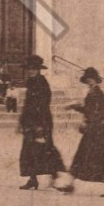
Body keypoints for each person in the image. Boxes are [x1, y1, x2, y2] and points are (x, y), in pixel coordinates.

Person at [57, 68, 104, 197]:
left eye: (90, 79)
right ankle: (70, 184)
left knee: (103, 158)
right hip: (97, 129)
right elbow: (90, 110)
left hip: (99, 130)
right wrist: (78, 109)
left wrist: (84, 119)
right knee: (83, 156)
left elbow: (97, 112)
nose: (88, 81)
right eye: (87, 80)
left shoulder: (96, 93)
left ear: (95, 80)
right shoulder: (93, 92)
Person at [19, 54, 66, 190]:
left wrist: (39, 125)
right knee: (29, 150)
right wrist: (23, 121)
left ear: (39, 69)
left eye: (34, 69)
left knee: (45, 149)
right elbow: (28, 104)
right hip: (30, 121)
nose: (31, 71)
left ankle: (55, 174)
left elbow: (44, 104)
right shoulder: (31, 82)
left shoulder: (42, 83)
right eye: (29, 69)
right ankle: (32, 179)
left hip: (41, 121)